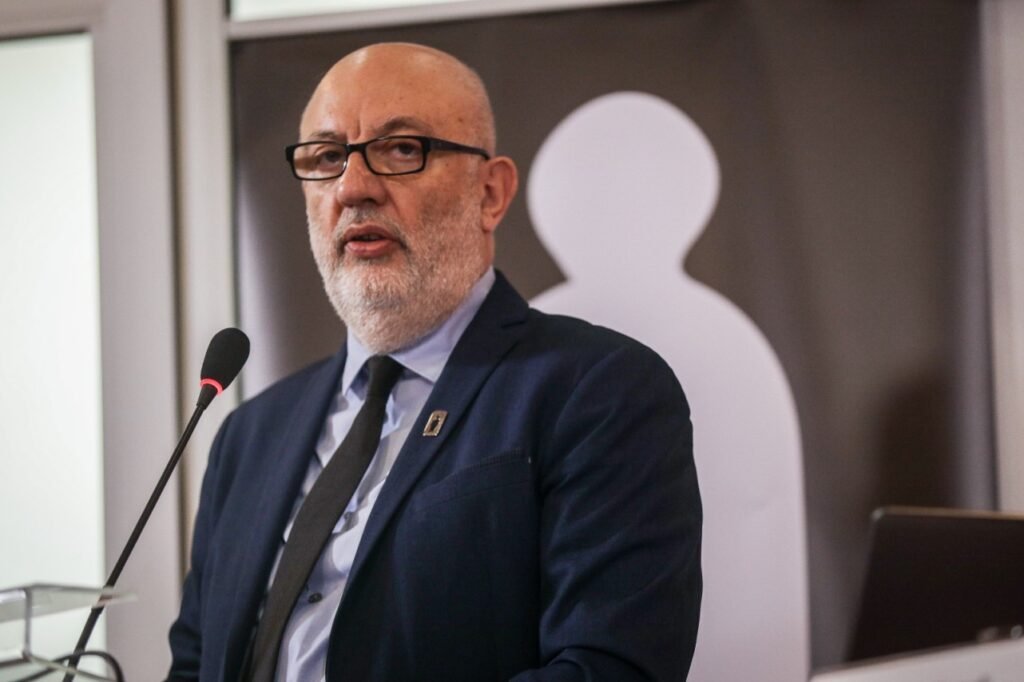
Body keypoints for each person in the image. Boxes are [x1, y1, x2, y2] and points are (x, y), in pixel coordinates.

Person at [168, 42, 701, 682]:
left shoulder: (597, 391)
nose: (353, 188)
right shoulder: (249, 436)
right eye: (328, 158)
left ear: (490, 193)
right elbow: (195, 665)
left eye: (401, 149)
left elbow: (609, 668)